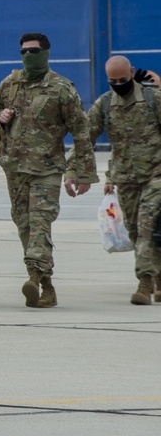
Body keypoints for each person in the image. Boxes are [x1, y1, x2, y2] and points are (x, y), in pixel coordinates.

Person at [0, 32, 98, 308]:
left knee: (39, 222)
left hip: (47, 169)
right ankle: (45, 285)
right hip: (14, 168)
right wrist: (0, 118)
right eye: (24, 51)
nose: (28, 56)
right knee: (24, 225)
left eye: (34, 51)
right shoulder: (10, 84)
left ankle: (35, 275)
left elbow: (81, 132)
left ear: (46, 53)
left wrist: (81, 173)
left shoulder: (61, 88)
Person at [85, 55, 161, 305]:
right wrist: (97, 173)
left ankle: (145, 283)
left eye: (123, 79)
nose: (118, 84)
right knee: (136, 231)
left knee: (147, 224)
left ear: (131, 72)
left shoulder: (153, 99)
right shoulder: (105, 105)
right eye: (113, 80)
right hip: (126, 178)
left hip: (156, 175)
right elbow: (86, 137)